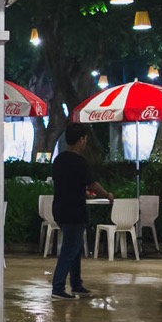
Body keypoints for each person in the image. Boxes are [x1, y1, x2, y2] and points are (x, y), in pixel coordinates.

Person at [50, 123, 113, 301]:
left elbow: (65, 183)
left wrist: (81, 191)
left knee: (75, 248)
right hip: (74, 211)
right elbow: (92, 184)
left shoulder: (59, 160)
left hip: (60, 209)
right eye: (85, 139)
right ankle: (58, 286)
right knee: (70, 249)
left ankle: (76, 284)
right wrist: (107, 195)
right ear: (81, 140)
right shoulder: (79, 161)